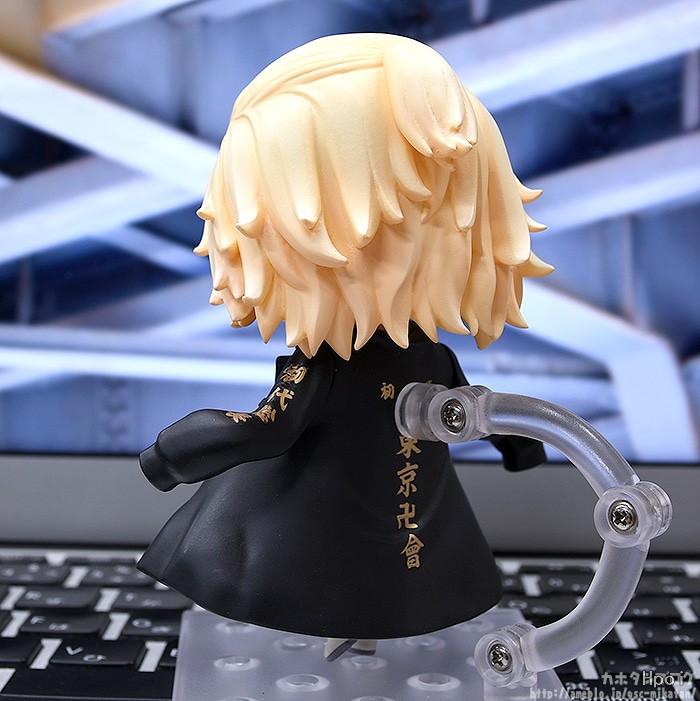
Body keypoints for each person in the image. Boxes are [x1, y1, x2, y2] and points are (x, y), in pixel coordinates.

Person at [138, 32, 552, 660]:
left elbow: (266, 431)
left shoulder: (342, 367)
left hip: (327, 548)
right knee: (370, 591)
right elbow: (473, 408)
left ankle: (355, 634)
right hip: (394, 544)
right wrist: (519, 445)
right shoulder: (423, 360)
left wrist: (169, 457)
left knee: (353, 589)